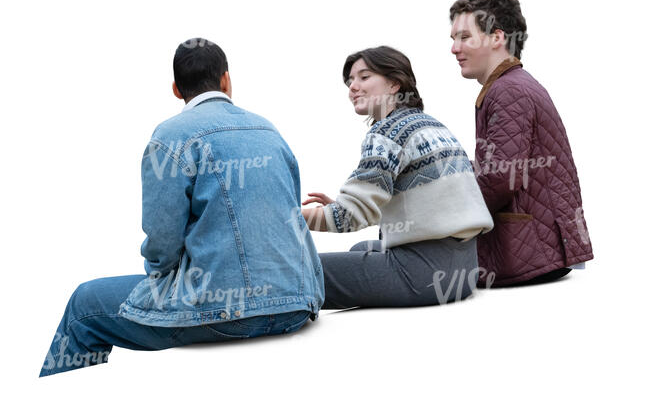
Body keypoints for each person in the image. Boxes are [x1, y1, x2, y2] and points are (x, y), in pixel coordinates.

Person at [39, 38, 324, 377]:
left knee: (84, 306)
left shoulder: (172, 136)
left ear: (176, 89)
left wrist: (162, 276)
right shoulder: (269, 130)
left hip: (226, 312)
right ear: (226, 81)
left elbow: (163, 242)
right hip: (297, 303)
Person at [301, 46, 494, 309]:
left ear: (394, 84)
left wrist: (290, 217)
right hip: (464, 271)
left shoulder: (386, 133)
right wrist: (339, 205)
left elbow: (349, 217)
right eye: (349, 81)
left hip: (422, 275)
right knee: (361, 249)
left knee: (298, 272)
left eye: (364, 77)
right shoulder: (432, 125)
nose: (353, 87)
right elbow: (429, 206)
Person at [449, 0, 593, 287]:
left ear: (497, 38)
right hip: (538, 249)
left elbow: (500, 178)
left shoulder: (508, 90)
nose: (454, 48)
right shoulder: (512, 85)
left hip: (529, 255)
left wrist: (447, 220)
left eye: (464, 37)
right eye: (453, 39)